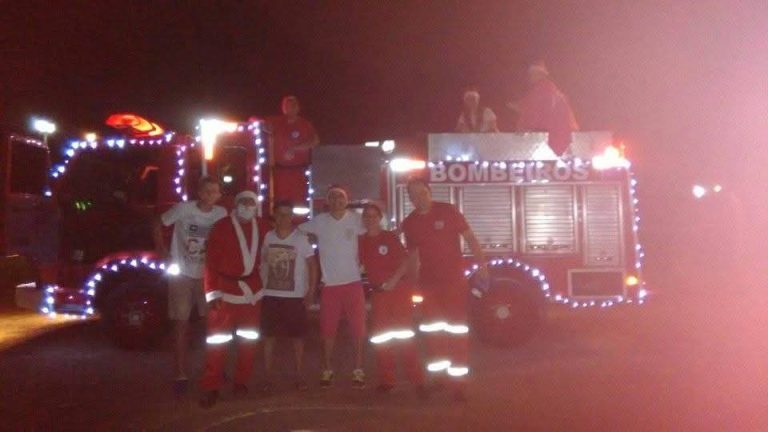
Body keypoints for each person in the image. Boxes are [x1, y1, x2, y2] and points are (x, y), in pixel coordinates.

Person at [401, 178, 488, 402]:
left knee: (457, 332)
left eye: (422, 193)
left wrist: (482, 265)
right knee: (433, 334)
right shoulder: (409, 223)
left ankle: (458, 385)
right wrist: (413, 286)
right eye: (413, 195)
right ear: (409, 198)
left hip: (453, 283)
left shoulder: (448, 211)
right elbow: (413, 257)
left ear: (429, 192)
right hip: (428, 286)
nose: (418, 198)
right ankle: (439, 379)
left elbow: (470, 238)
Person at [152, 175, 226, 395]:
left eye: (215, 191)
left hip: (207, 275)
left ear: (219, 195)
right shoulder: (184, 209)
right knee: (181, 324)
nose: (210, 195)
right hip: (182, 273)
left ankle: (213, 368)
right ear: (199, 193)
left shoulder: (221, 214)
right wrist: (161, 249)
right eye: (207, 191)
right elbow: (157, 223)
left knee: (211, 324)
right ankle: (180, 373)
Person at [198, 190, 272, 408]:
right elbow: (210, 262)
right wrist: (212, 292)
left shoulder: (263, 226)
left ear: (256, 206)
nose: (247, 206)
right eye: (243, 202)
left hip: (251, 293)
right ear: (236, 204)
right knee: (217, 342)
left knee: (248, 341)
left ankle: (241, 381)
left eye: (251, 203)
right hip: (225, 291)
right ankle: (211, 386)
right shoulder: (221, 227)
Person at [299, 185, 367, 388]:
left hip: (354, 283)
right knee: (327, 331)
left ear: (347, 200)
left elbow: (373, 234)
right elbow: (298, 231)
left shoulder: (357, 220)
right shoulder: (319, 221)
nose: (337, 200)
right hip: (330, 286)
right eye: (333, 197)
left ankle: (358, 369)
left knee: (358, 330)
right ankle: (327, 369)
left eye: (341, 196)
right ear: (327, 201)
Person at [358, 203, 425, 395]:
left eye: (374, 216)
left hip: (398, 292)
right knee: (381, 338)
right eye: (367, 216)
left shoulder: (389, 237)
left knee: (405, 336)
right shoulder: (361, 241)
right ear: (363, 219)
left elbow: (406, 261)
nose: (370, 219)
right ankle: (387, 380)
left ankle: (417, 380)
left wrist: (393, 281)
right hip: (379, 294)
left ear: (380, 218)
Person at [260, 200, 318, 392]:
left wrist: (311, 291)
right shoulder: (267, 237)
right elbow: (262, 262)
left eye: (288, 214)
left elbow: (312, 265)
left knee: (297, 338)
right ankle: (267, 376)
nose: (284, 218)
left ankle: (299, 375)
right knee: (269, 337)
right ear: (274, 216)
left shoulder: (301, 239)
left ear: (292, 217)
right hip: (270, 294)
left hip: (295, 296)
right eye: (280, 214)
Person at [511, 61, 579, 156]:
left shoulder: (541, 89)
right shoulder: (551, 89)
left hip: (554, 136)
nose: (530, 77)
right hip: (565, 135)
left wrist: (523, 129)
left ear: (539, 74)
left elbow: (532, 112)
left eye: (531, 74)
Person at [267, 95, 320, 208]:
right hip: (279, 171)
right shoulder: (276, 122)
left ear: (298, 108)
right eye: (286, 106)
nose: (289, 108)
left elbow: (315, 141)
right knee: (280, 202)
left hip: (299, 171)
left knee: (298, 203)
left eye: (292, 106)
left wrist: (295, 148)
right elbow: (255, 121)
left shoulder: (305, 124)